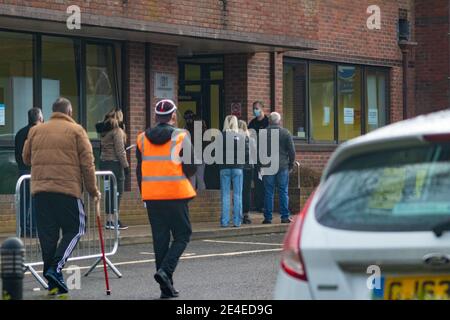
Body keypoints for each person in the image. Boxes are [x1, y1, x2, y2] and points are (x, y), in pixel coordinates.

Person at [22, 97, 100, 295]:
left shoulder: (36, 130)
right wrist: (93, 191)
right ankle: (56, 268)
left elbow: (26, 158)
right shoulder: (77, 131)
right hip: (67, 191)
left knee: (48, 238)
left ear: (52, 111)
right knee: (76, 229)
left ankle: (53, 284)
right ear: (70, 112)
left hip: (40, 192)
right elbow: (87, 164)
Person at [136, 99, 196, 299]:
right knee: (183, 235)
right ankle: (166, 272)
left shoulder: (142, 139)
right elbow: (191, 166)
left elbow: (139, 170)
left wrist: (143, 192)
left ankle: (166, 289)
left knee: (160, 240)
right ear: (173, 116)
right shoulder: (181, 136)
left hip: (152, 196)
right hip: (176, 194)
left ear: (155, 116)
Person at [96, 108, 129, 230]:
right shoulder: (117, 132)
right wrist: (126, 167)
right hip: (115, 165)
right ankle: (115, 220)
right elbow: (120, 151)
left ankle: (109, 220)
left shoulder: (104, 132)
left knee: (108, 192)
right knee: (117, 192)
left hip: (104, 164)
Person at [261, 112, 295, 224]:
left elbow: (259, 151)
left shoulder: (263, 133)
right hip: (282, 166)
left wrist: (259, 165)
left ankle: (268, 218)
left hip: (268, 165)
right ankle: (285, 216)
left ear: (269, 121)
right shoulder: (286, 133)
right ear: (279, 121)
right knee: (283, 191)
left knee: (268, 192)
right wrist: (291, 164)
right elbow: (291, 151)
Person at [15, 107, 43, 237]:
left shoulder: (20, 133)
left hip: (22, 171)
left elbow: (17, 154)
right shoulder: (39, 132)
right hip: (34, 170)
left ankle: (22, 229)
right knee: (35, 201)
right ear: (39, 118)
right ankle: (32, 229)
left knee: (23, 202)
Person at [219, 115, 249, 228]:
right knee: (238, 195)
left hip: (224, 167)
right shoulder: (241, 136)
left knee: (225, 195)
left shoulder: (221, 136)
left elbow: (215, 152)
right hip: (238, 168)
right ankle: (237, 221)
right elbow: (247, 152)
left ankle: (225, 221)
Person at [248, 101, 269, 212]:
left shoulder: (267, 122)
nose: (254, 110)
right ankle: (258, 204)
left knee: (266, 181)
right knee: (257, 181)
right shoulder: (252, 123)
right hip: (255, 156)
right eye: (253, 108)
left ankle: (266, 205)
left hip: (266, 156)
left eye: (256, 108)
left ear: (262, 109)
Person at [184, 111, 207, 191]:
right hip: (201, 155)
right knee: (200, 178)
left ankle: (192, 199)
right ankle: (203, 197)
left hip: (191, 155)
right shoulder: (202, 127)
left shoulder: (188, 129)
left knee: (192, 178)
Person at [238, 120, 255, 224]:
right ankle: (246, 214)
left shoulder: (234, 139)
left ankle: (237, 213)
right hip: (249, 168)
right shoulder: (251, 140)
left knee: (237, 191)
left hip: (238, 167)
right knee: (247, 191)